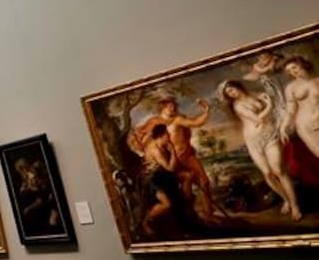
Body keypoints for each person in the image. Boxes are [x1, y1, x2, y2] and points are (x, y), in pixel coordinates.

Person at [219, 79, 302, 220]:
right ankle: (285, 199)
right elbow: (258, 119)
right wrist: (269, 104)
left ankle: (295, 206)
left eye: (232, 90)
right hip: (253, 141)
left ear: (237, 86)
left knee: (279, 171)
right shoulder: (237, 106)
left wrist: (270, 102)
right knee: (268, 173)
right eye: (228, 93)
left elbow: (274, 109)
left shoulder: (256, 94)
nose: (232, 94)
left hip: (270, 136)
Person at [129, 97, 222, 218]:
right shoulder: (154, 122)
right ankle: (188, 210)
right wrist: (140, 146)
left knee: (204, 181)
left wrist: (206, 111)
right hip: (171, 159)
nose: (172, 108)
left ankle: (208, 211)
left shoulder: (178, 119)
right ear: (162, 107)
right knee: (185, 179)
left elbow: (196, 122)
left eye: (173, 105)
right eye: (169, 105)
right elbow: (140, 137)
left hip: (187, 155)